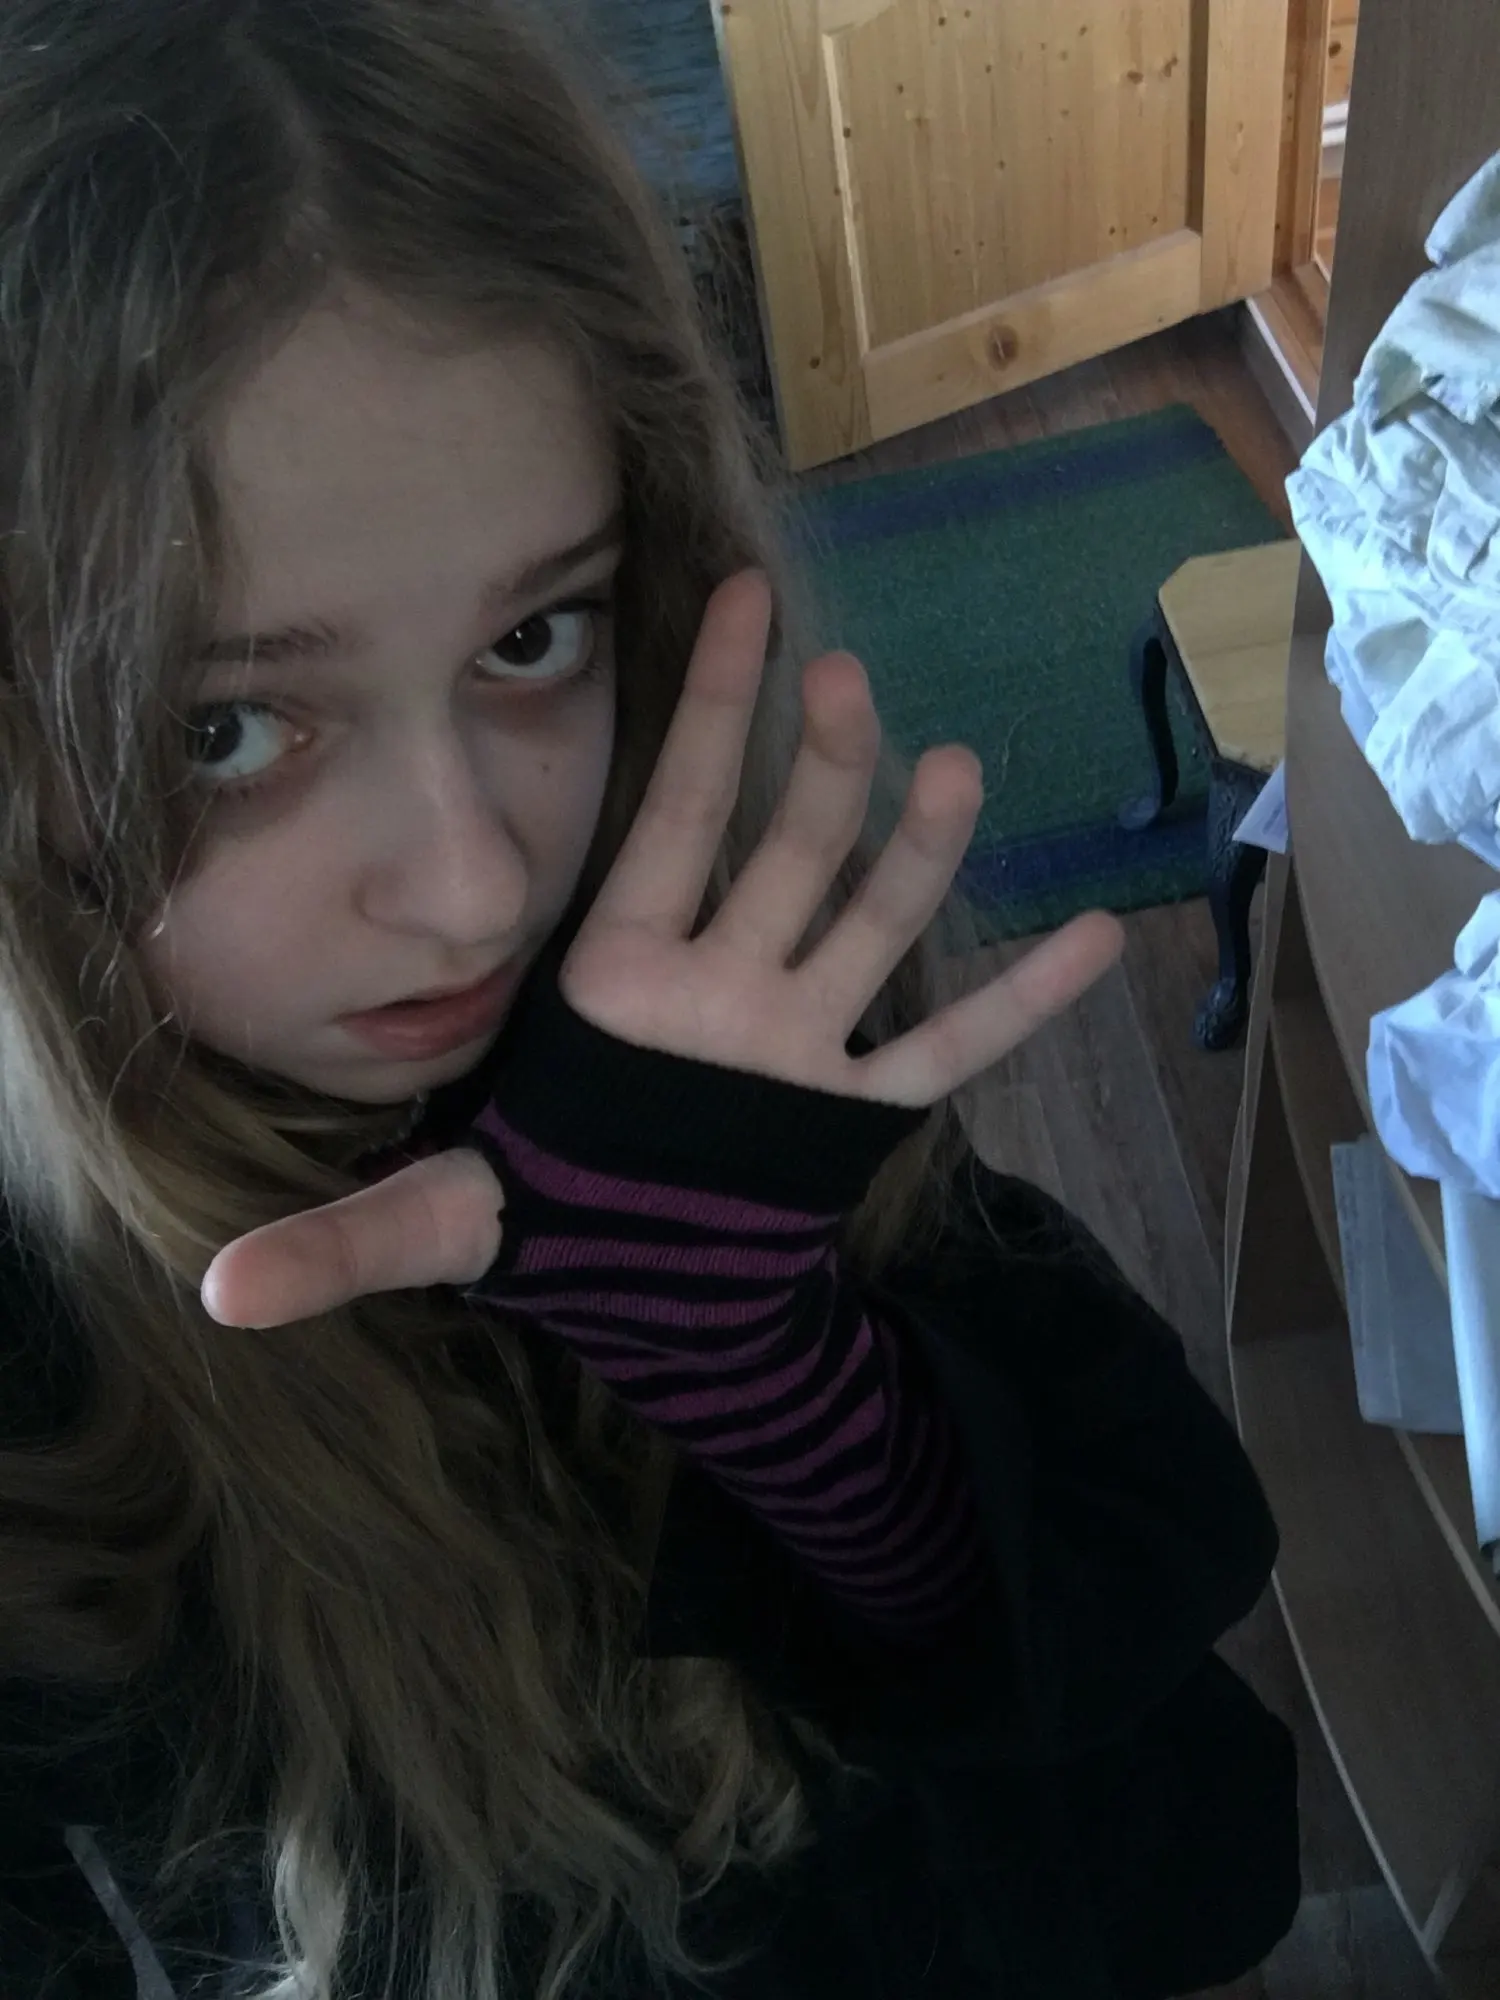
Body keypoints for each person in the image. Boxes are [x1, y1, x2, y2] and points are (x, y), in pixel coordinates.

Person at [0, 2, 1300, 1995]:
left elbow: (1089, 1715)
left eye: (536, 634)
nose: (474, 883)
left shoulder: (707, 1043)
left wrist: (773, 1369)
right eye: (224, 727)